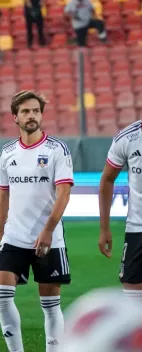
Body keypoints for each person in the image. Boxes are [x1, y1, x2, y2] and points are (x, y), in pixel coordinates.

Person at [0, 90, 74, 352]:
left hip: (49, 238)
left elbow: (64, 193)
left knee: (50, 306)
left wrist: (49, 230)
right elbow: (3, 195)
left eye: (36, 111)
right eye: (26, 111)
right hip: (14, 237)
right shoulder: (7, 152)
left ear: (41, 115)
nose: (31, 115)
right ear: (15, 116)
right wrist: (1, 235)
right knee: (1, 297)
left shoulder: (56, 149)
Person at [99, 120, 142, 302]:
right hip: (137, 229)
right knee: (132, 300)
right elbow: (107, 179)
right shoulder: (128, 138)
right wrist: (104, 229)